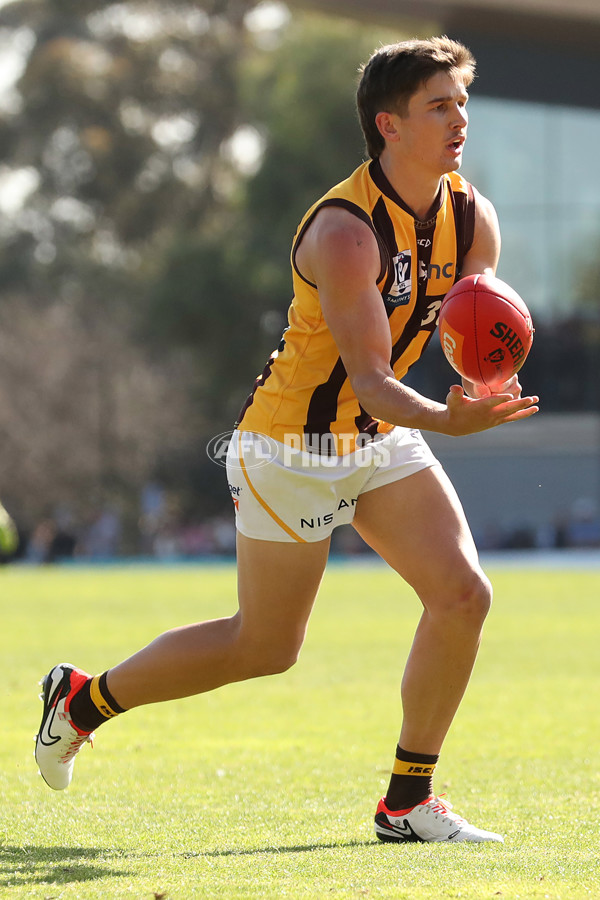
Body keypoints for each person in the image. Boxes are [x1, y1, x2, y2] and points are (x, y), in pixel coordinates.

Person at [35, 36, 538, 843]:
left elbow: (465, 340)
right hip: (290, 448)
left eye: (463, 103)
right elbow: (371, 376)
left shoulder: (473, 216)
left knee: (463, 595)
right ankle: (82, 700)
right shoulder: (344, 232)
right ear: (390, 124)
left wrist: (489, 381)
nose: (460, 120)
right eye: (439, 105)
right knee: (266, 646)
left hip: (378, 437)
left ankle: (406, 803)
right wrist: (450, 419)